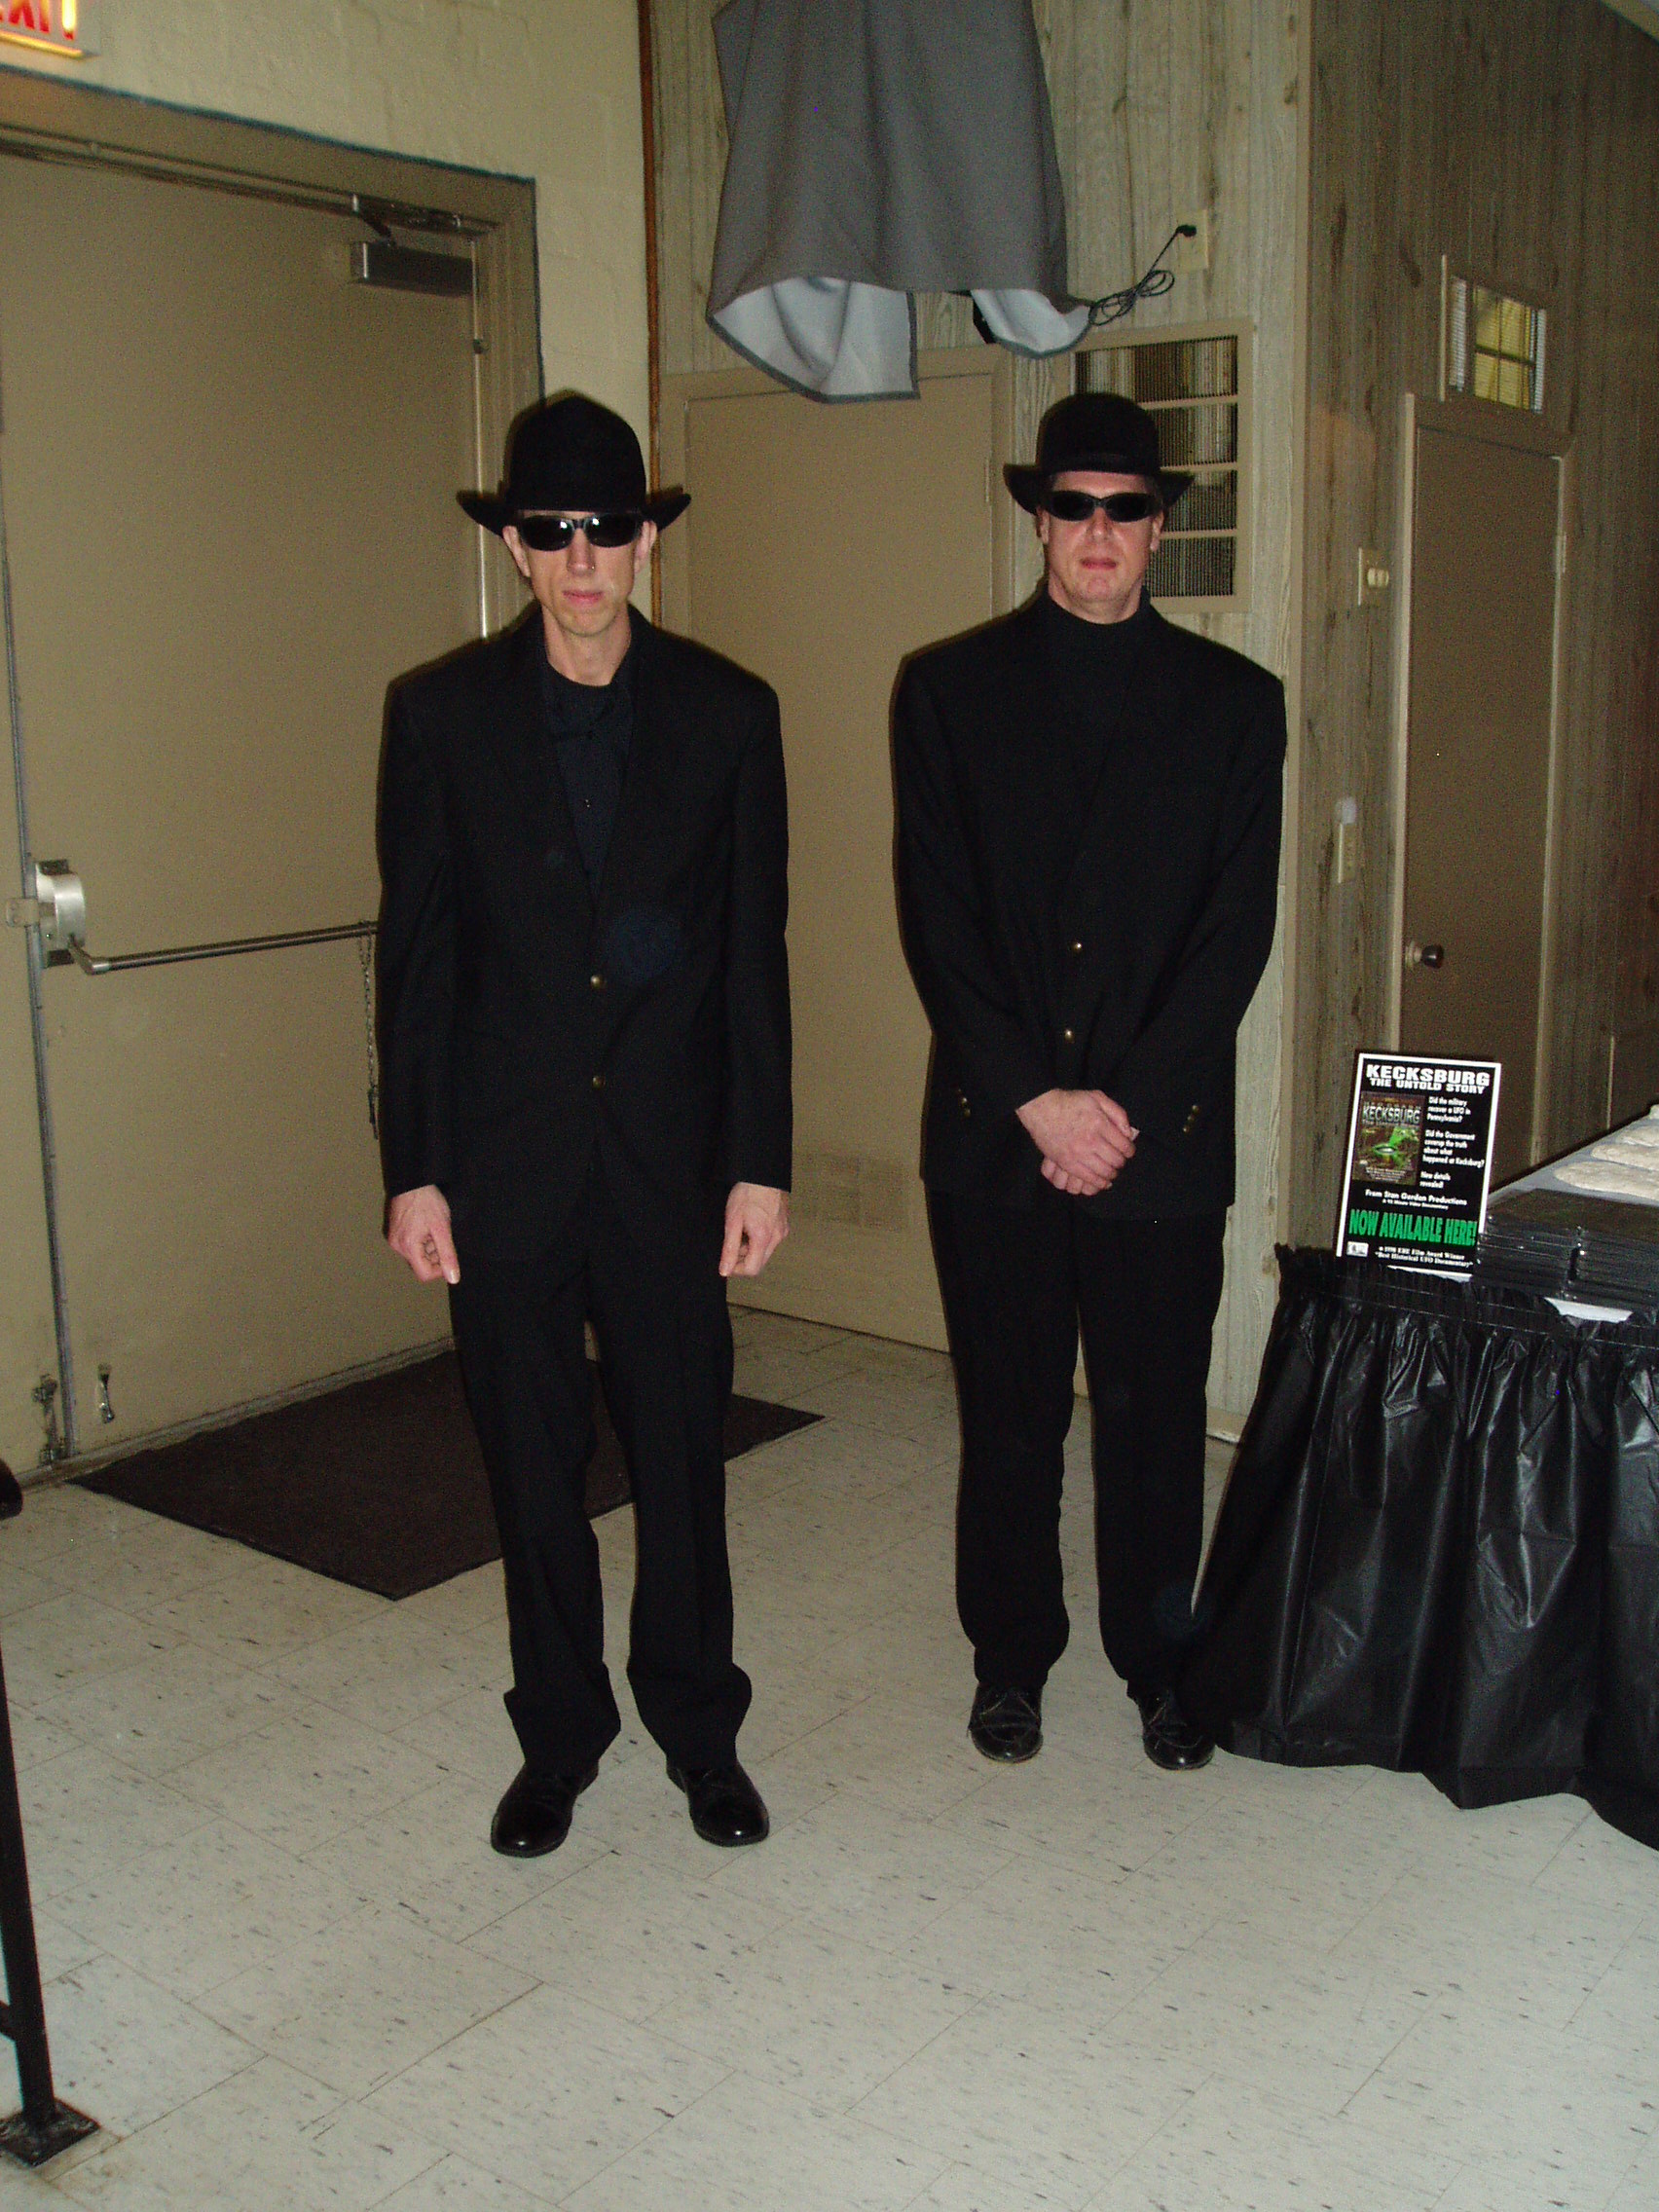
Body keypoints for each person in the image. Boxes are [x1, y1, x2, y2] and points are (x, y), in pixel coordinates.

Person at [377, 393, 791, 1855]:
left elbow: (753, 959)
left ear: (645, 540)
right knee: (531, 1468)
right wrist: (417, 1171)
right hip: (505, 1167)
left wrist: (759, 1161)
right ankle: (558, 1737)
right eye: (548, 531)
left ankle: (699, 1730)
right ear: (512, 546)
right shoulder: (438, 717)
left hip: (671, 1163)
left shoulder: (731, 713)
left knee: (681, 1458)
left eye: (605, 529)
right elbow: (418, 964)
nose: (579, 558)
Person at [893, 390, 1284, 1773]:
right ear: (1041, 521)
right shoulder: (948, 691)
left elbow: (1235, 935)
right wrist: (1037, 1102)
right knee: (1007, 1422)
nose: (1099, 530)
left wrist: (1120, 1111)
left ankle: (1161, 1664)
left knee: (1154, 1422)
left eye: (1126, 508)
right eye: (1075, 506)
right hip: (994, 1132)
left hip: (1160, 1140)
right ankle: (1011, 1658)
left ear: (1159, 528)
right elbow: (937, 920)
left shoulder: (1236, 706)